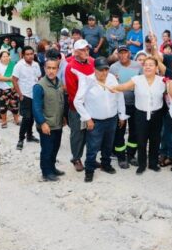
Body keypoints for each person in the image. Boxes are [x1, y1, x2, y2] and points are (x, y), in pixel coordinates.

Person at [74, 57, 126, 182]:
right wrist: (87, 119)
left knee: (108, 145)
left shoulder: (112, 78)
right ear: (94, 69)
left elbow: (120, 96)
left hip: (112, 119)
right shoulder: (88, 81)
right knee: (92, 148)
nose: (104, 73)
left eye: (106, 69)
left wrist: (122, 115)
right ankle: (89, 171)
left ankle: (106, 165)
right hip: (95, 122)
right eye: (101, 70)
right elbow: (77, 101)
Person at [110, 56, 165, 174]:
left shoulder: (162, 81)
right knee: (141, 140)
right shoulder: (137, 79)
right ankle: (142, 164)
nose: (148, 67)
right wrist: (113, 87)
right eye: (146, 65)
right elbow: (123, 87)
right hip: (140, 114)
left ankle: (153, 164)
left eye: (151, 65)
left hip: (157, 115)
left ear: (156, 67)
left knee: (155, 140)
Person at [31, 58, 66, 182]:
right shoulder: (39, 86)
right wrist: (42, 123)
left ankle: (52, 168)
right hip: (46, 125)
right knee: (47, 150)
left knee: (55, 148)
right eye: (48, 68)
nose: (51, 71)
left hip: (58, 124)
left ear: (58, 69)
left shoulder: (60, 83)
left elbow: (62, 102)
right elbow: (36, 107)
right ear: (44, 69)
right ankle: (46, 172)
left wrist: (64, 117)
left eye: (54, 68)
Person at [110, 46, 142, 168]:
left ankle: (131, 155)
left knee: (134, 131)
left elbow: (143, 82)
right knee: (119, 132)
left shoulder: (138, 66)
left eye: (125, 53)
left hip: (135, 104)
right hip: (119, 105)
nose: (123, 55)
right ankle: (121, 157)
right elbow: (110, 84)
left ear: (129, 53)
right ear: (117, 54)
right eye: (120, 53)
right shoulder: (113, 67)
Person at [65, 39, 95, 171]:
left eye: (87, 49)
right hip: (76, 107)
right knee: (77, 133)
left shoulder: (93, 62)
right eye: (83, 50)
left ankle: (90, 158)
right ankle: (76, 158)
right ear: (76, 52)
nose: (86, 51)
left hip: (92, 105)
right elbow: (72, 92)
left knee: (91, 133)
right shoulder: (70, 67)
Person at [13, 46, 41, 149]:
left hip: (35, 95)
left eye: (31, 54)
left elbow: (39, 77)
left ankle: (30, 135)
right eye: (27, 54)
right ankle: (21, 139)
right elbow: (14, 80)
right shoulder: (19, 65)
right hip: (25, 95)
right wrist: (20, 95)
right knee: (26, 118)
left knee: (32, 117)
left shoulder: (36, 65)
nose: (30, 56)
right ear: (23, 55)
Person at [0, 51, 19, 128]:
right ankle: (4, 121)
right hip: (3, 90)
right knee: (3, 107)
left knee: (15, 106)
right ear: (0, 58)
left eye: (7, 56)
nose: (6, 58)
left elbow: (17, 77)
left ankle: (16, 120)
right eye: (4, 56)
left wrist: (12, 82)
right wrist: (10, 79)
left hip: (13, 89)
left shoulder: (13, 65)